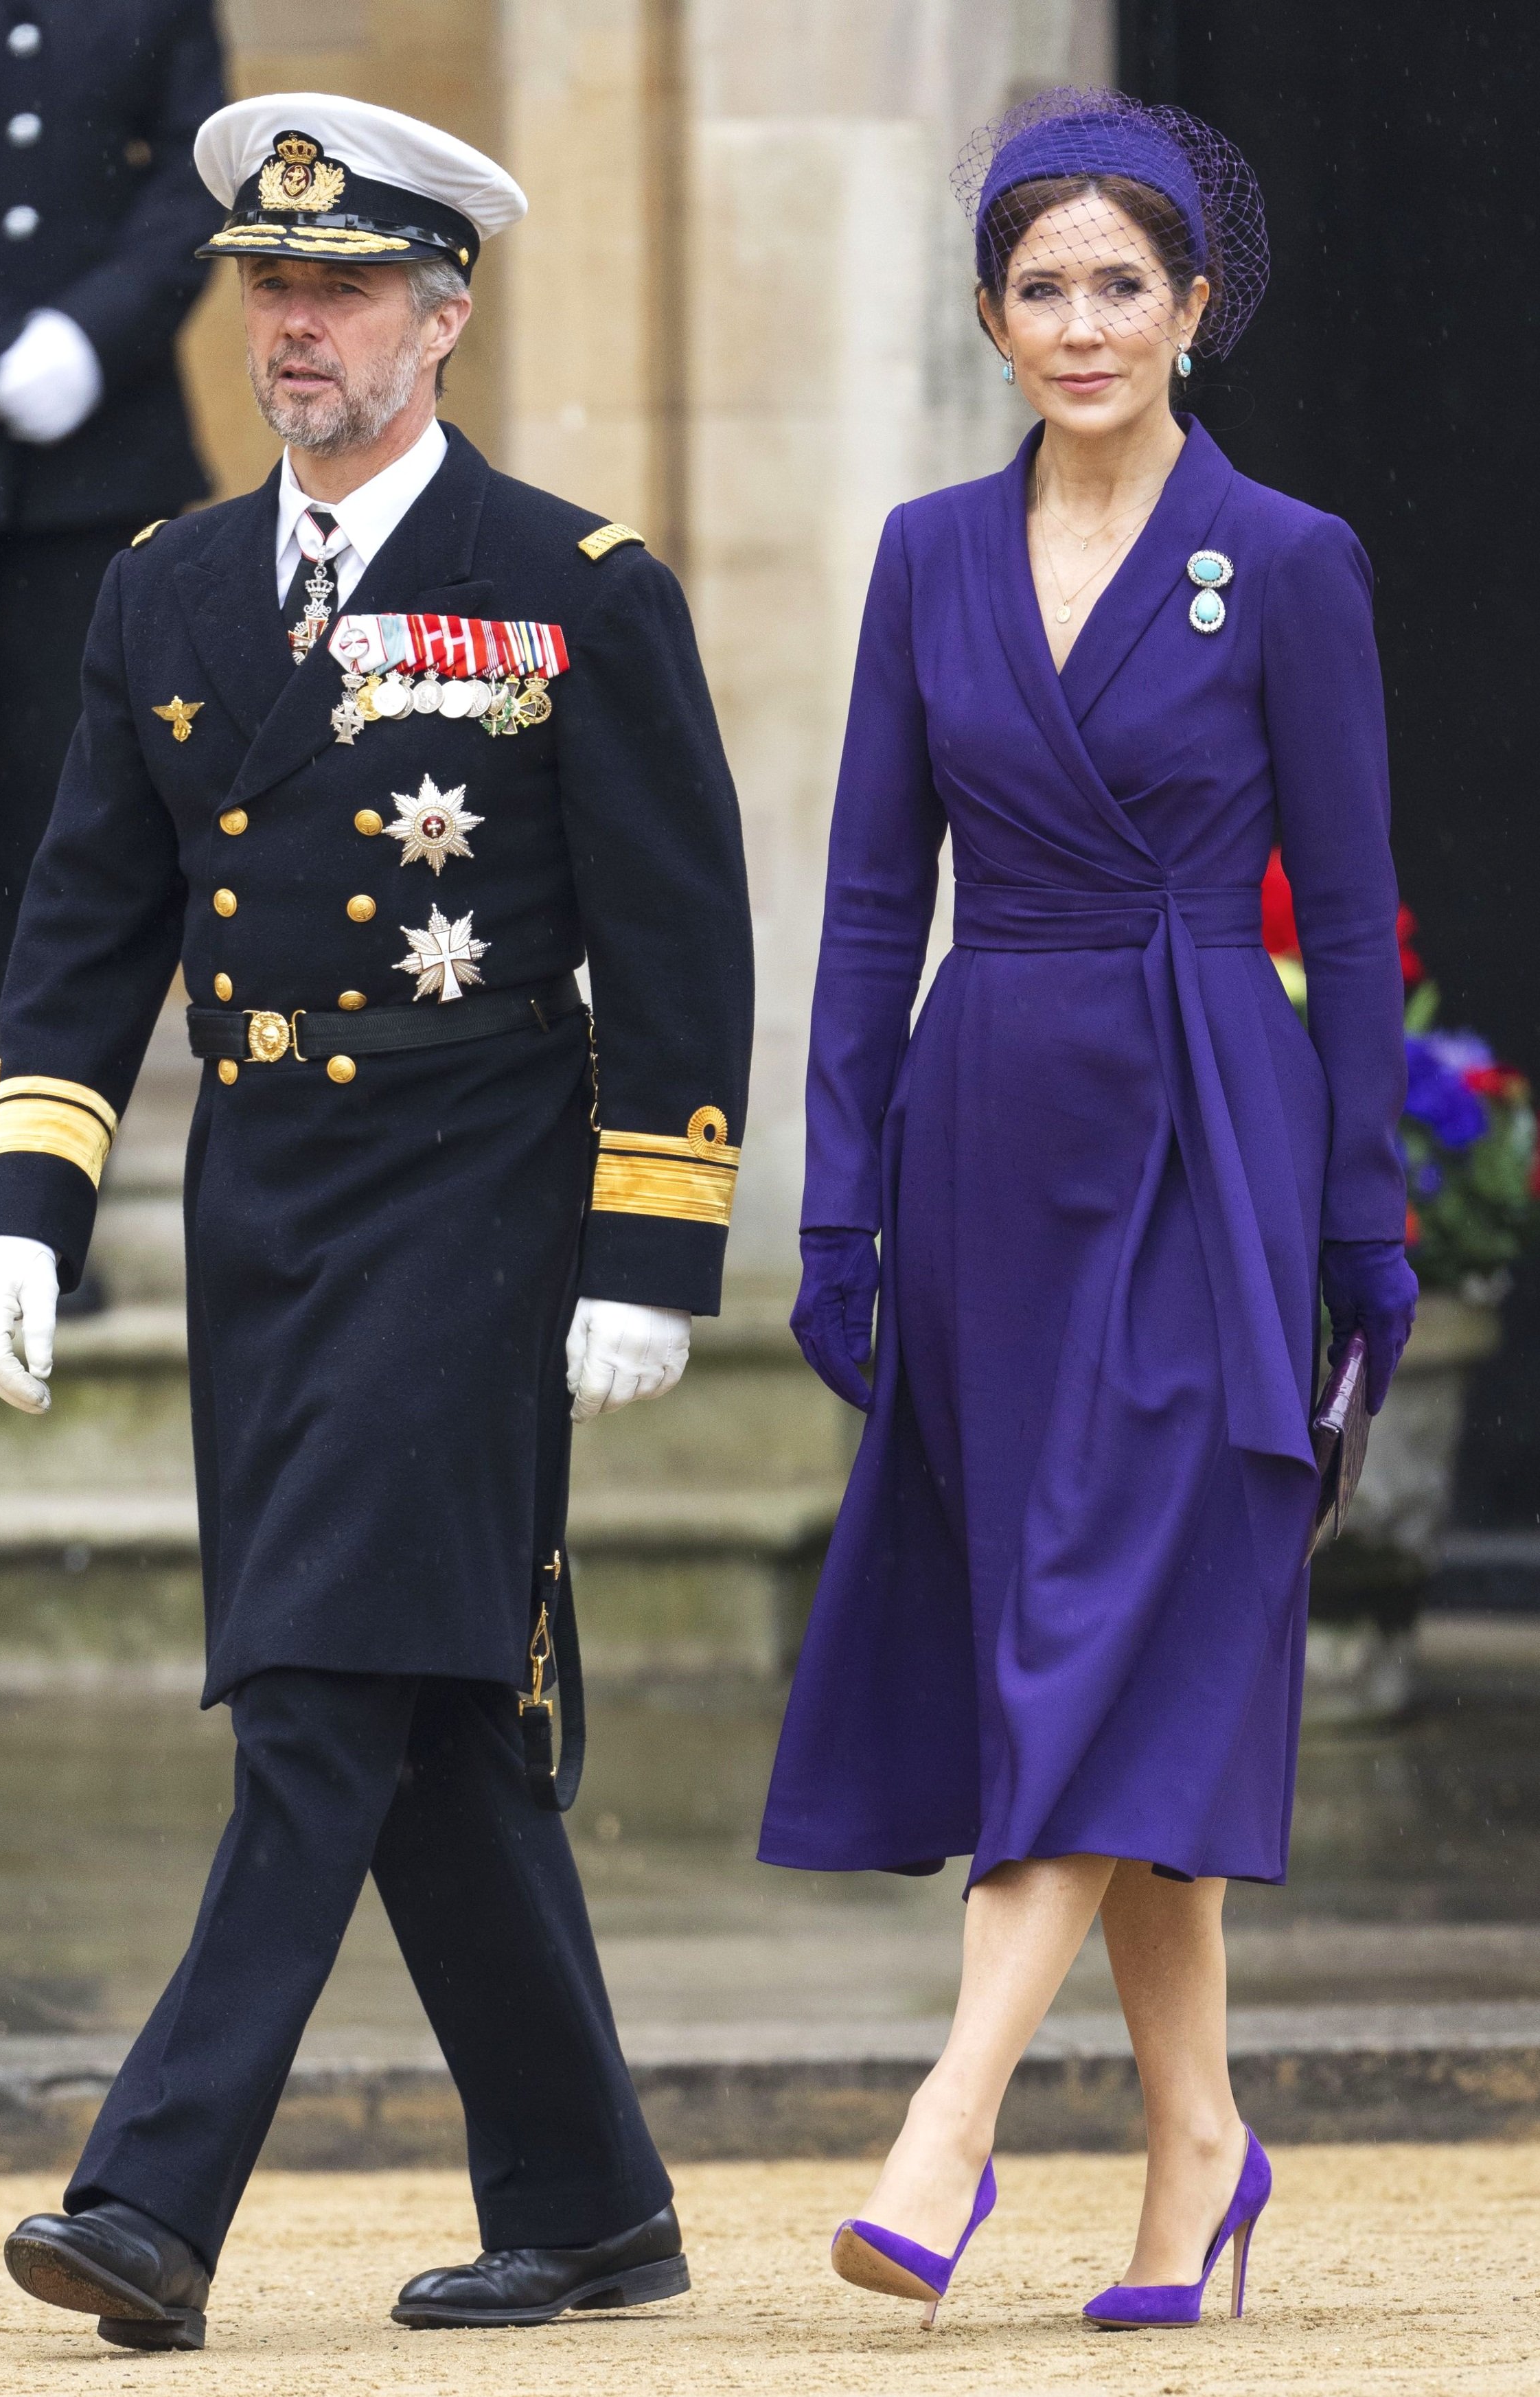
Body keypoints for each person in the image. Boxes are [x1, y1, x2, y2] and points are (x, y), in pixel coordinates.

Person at [0, 93, 753, 2352]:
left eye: (340, 289)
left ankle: (149, 2199)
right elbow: (84, 917)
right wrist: (29, 1195)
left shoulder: (576, 585)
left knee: (314, 1688)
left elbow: (680, 937)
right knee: (428, 1724)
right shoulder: (166, 587)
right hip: (264, 1215)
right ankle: (591, 2198)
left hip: (477, 1205)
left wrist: (656, 1244)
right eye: (267, 288)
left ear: (445, 309)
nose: (293, 329)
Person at [761, 87, 1417, 2332]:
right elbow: (867, 908)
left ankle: (948, 2129)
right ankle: (1199, 2151)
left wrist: (1364, 1225)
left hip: (1207, 1141)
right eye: (1038, 287)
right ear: (989, 316)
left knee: (1099, 1620)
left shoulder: (1294, 558)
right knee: (1103, 1639)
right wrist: (838, 1209)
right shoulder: (929, 553)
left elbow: (1347, 902)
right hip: (985, 1143)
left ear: (1194, 306)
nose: (1078, 322)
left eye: (1117, 283)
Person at [0, 0, 225, 1311]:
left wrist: (92, 336)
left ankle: (29, 1199)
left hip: (98, 467)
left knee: (70, 846)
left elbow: (204, 171)